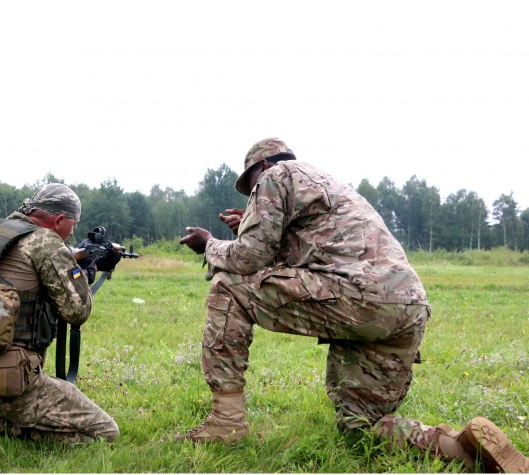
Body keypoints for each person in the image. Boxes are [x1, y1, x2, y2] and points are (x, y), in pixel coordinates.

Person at [179, 137, 529, 472]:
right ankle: (459, 448)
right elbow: (328, 251)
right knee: (361, 425)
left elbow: (248, 259)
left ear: (264, 165)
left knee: (229, 285)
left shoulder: (275, 175)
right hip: (407, 308)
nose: (254, 192)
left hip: (358, 298)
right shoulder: (333, 186)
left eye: (251, 184)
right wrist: (257, 225)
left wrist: (209, 244)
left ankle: (226, 422)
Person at [0, 183, 120, 451]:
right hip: (4, 381)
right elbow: (77, 312)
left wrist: (76, 262)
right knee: (105, 432)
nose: (72, 233)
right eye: (73, 225)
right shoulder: (45, 241)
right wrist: (84, 271)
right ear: (58, 220)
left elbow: (21, 274)